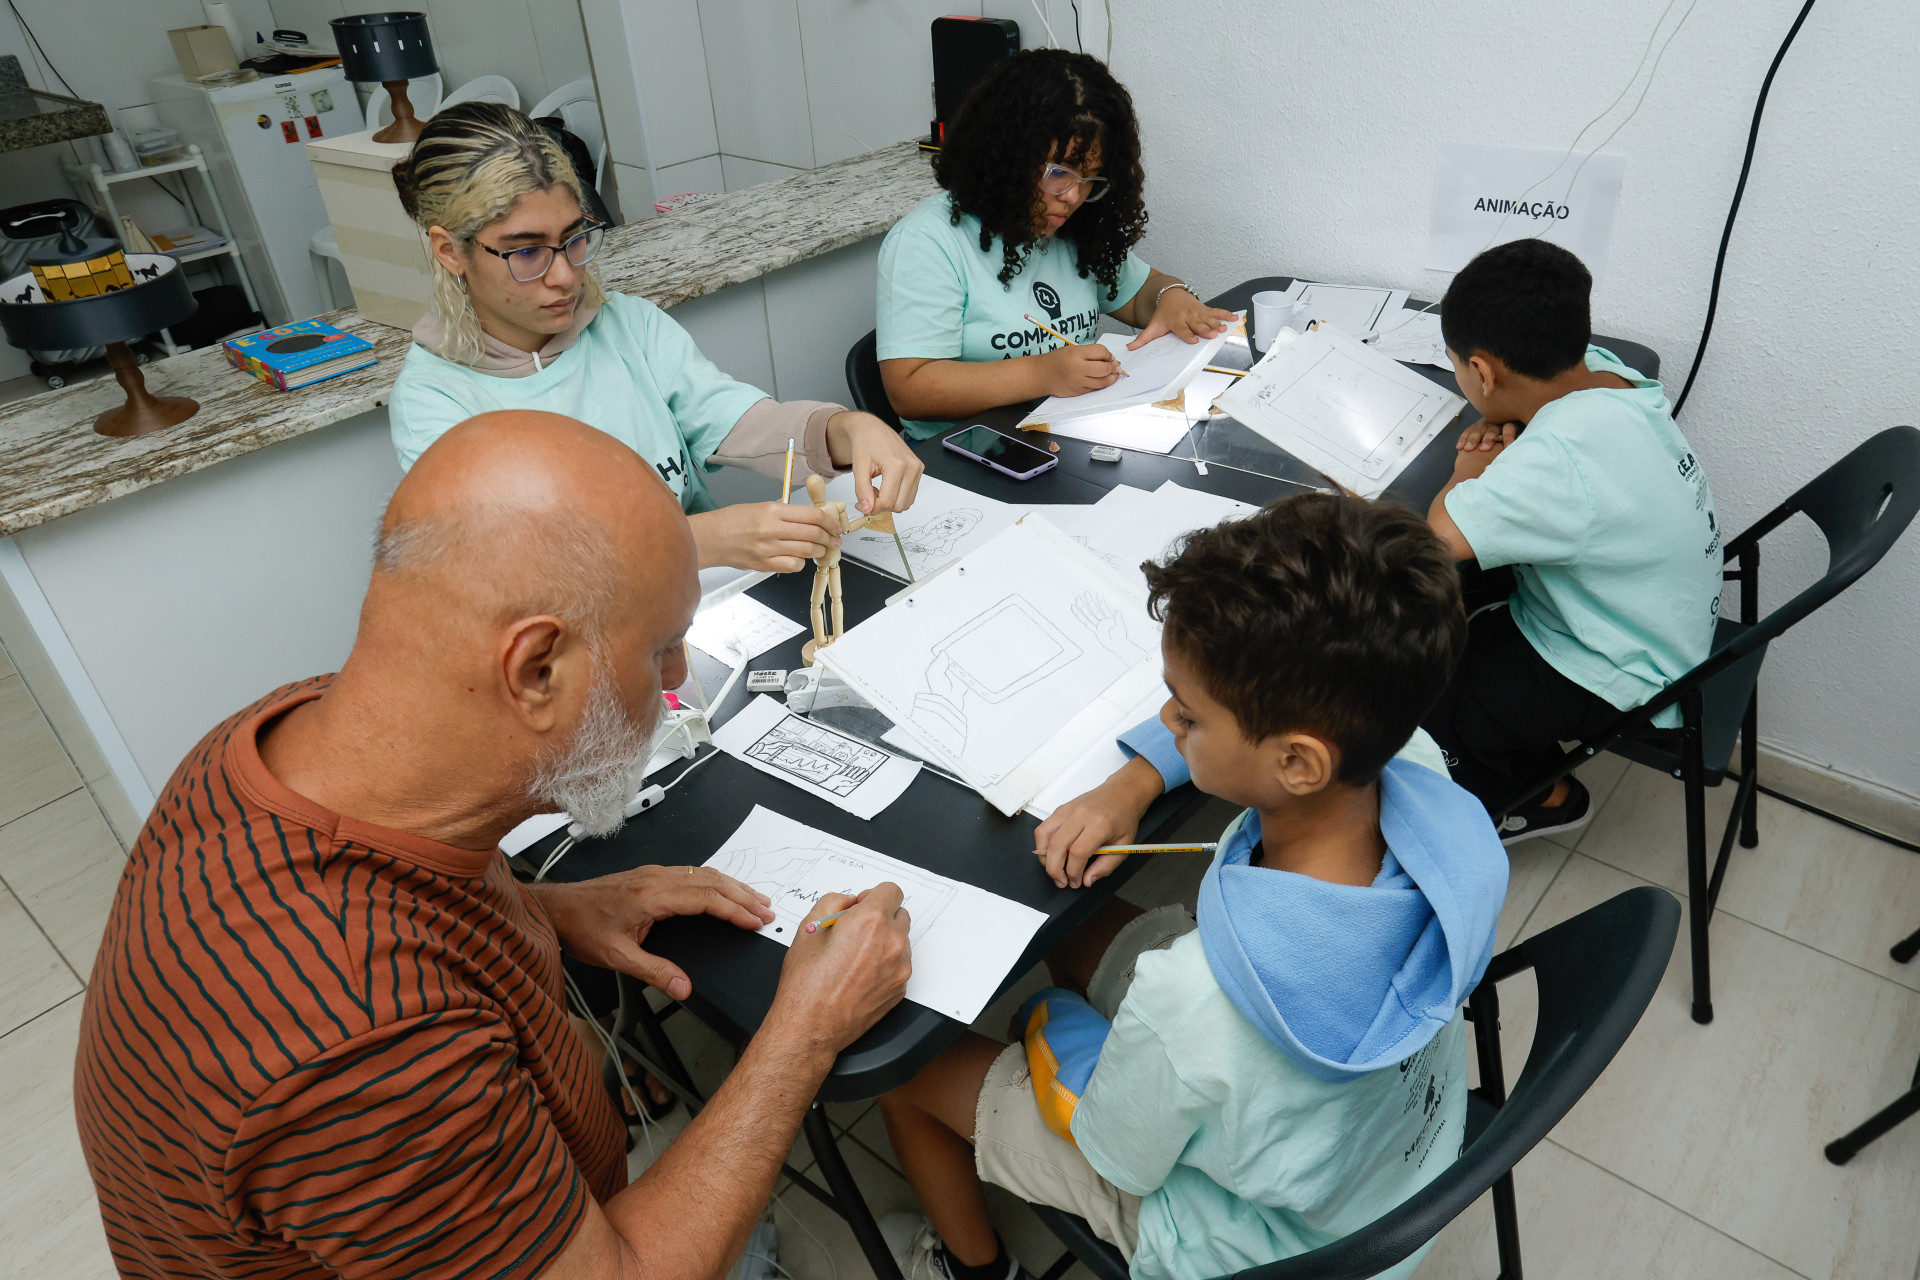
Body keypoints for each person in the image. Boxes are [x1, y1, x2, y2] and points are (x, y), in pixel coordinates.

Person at [73, 410, 914, 1280]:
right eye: (662, 649)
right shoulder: (360, 1045)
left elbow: (400, 898)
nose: (676, 680)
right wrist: (805, 1033)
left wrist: (542, 910)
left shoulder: (286, 736)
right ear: (536, 669)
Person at [876, 495, 1509, 1280]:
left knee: (902, 1069)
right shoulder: (1412, 760)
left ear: (1298, 762)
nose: (1168, 719)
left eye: (1188, 716)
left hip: (1247, 1247)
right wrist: (1133, 781)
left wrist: (1052, 1030)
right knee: (1076, 926)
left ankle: (970, 1269)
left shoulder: (1190, 1000)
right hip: (1397, 1160)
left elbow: (1117, 1154)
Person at [389, 103, 924, 573]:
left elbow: (742, 425)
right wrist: (696, 540)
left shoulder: (628, 325)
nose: (565, 276)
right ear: (450, 251)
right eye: (527, 251)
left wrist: (847, 429)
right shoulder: (435, 402)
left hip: (702, 603)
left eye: (575, 238)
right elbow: (517, 567)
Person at [1422, 238, 1722, 842]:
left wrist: (1465, 472)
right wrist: (1504, 412)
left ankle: (1541, 799)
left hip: (1622, 662)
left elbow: (1439, 540)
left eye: (1455, 366)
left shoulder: (1561, 457)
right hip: (1661, 618)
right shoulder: (1607, 372)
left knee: (1433, 693)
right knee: (1462, 615)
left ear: (1482, 371)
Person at [875, 50, 1235, 438]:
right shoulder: (928, 242)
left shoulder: (1071, 228)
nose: (1073, 196)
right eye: (1060, 172)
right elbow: (909, 391)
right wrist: (1042, 374)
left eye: (1090, 179)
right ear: (1007, 156)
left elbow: (1138, 295)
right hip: (966, 454)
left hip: (1065, 438)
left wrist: (1171, 296)